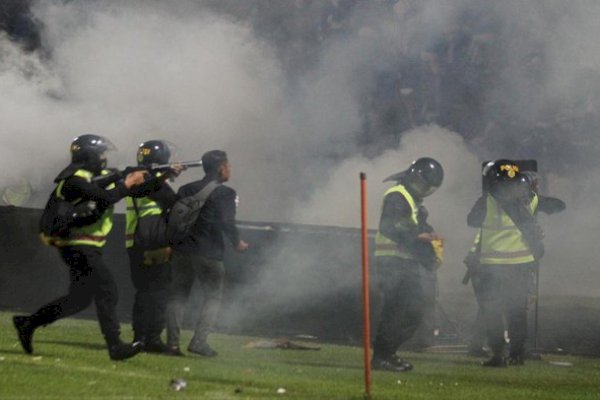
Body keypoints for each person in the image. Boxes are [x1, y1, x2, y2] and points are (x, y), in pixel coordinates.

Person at [13, 134, 147, 361]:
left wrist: (137, 175)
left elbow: (103, 186)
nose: (104, 158)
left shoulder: (81, 178)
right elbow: (105, 197)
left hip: (80, 246)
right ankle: (115, 345)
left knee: (80, 299)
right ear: (90, 156)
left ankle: (28, 323)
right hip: (79, 245)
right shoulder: (75, 179)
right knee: (107, 289)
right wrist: (127, 182)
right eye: (102, 153)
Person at [165, 150, 248, 357]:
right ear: (222, 168)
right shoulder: (225, 193)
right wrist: (237, 242)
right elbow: (227, 222)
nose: (230, 170)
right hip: (208, 252)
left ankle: (172, 344)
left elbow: (172, 218)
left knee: (178, 295)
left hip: (182, 250)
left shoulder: (186, 189)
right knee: (213, 296)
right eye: (229, 166)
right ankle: (199, 341)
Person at [466, 159, 545, 367]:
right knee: (517, 312)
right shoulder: (529, 200)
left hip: (492, 264)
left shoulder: (487, 202)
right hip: (520, 263)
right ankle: (517, 355)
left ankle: (498, 354)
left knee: (493, 311)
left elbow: (472, 220)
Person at [371, 157, 444, 372]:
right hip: (392, 262)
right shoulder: (397, 196)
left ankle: (387, 353)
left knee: (413, 312)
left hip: (404, 262)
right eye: (424, 185)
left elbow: (415, 228)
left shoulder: (412, 200)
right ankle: (382, 356)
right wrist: (418, 237)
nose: (425, 191)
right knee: (396, 311)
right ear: (414, 178)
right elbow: (388, 227)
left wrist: (429, 240)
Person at [125, 140, 183, 353]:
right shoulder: (149, 180)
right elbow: (173, 201)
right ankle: (150, 338)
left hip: (135, 242)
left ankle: (140, 337)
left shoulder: (136, 177)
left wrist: (165, 175)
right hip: (153, 243)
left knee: (144, 292)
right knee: (159, 291)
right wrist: (167, 175)